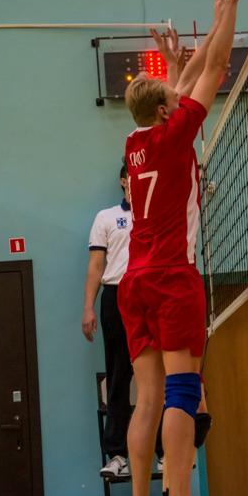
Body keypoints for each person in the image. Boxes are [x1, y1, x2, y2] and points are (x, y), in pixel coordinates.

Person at [115, 0, 246, 496]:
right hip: (171, 277)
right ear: (169, 111)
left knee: (145, 399)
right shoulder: (173, 136)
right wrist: (227, 12)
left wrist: (172, 65)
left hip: (132, 282)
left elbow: (180, 88)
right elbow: (215, 69)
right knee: (183, 393)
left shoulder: (137, 142)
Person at [83, 164, 136, 479]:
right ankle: (117, 454)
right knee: (118, 375)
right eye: (132, 176)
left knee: (158, 376)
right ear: (123, 180)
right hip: (116, 295)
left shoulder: (156, 214)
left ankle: (163, 452)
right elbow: (96, 265)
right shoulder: (106, 217)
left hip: (150, 294)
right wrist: (88, 307)